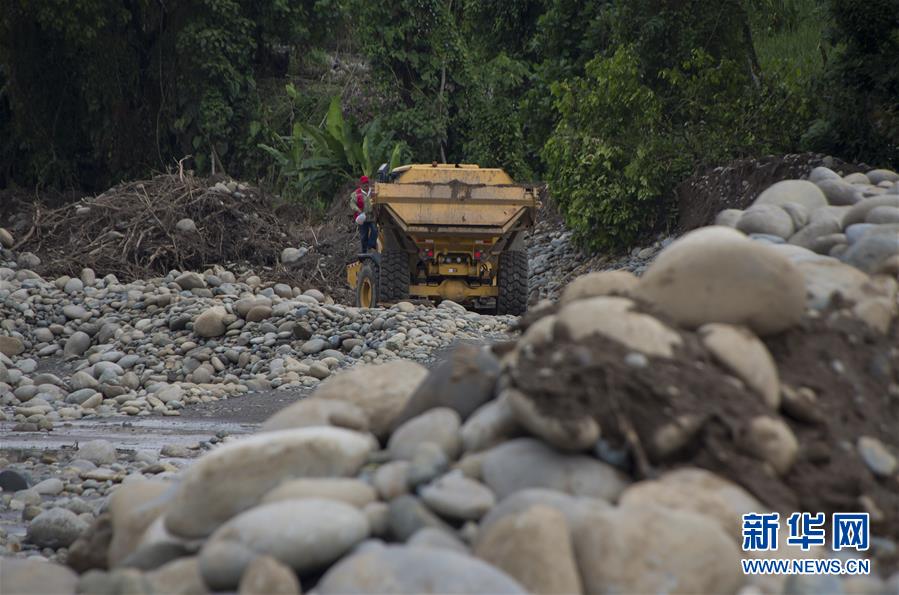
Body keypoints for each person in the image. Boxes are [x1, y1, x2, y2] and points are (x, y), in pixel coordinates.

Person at [350, 175, 377, 253]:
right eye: (364, 183)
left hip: (371, 217)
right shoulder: (356, 194)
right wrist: (358, 210)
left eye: (367, 183)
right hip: (362, 218)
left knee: (375, 230)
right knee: (363, 236)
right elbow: (352, 204)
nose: (365, 185)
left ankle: (370, 245)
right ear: (361, 184)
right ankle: (364, 252)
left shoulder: (373, 192)